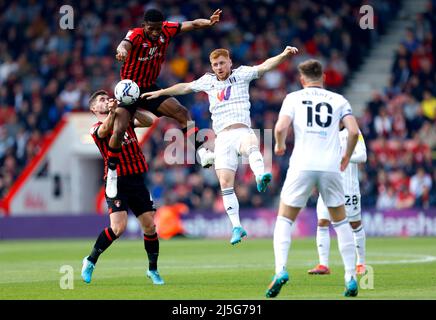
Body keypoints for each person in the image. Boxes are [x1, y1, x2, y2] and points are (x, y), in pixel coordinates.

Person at [142, 46, 299, 245]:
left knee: (251, 144)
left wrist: (284, 54)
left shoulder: (242, 74)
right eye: (215, 64)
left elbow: (265, 66)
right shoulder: (208, 81)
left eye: (222, 63)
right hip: (222, 138)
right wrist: (160, 92)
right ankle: (237, 226)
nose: (219, 67)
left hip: (242, 129)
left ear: (230, 62)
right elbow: (184, 87)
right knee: (225, 183)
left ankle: (260, 175)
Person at [266, 59, 360, 298]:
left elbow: (280, 128)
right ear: (324, 78)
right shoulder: (339, 100)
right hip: (330, 166)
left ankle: (280, 271)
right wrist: (346, 155)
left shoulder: (293, 98)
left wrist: (278, 146)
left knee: (285, 219)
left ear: (302, 79)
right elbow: (353, 131)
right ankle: (350, 277)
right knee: (340, 222)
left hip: (302, 165)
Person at [106, 8, 222, 198]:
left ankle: (201, 151)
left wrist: (208, 22)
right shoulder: (135, 35)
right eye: (151, 29)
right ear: (144, 26)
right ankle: (112, 172)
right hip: (129, 90)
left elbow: (191, 24)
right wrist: (121, 52)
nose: (155, 32)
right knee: (119, 130)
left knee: (182, 112)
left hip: (150, 88)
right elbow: (123, 45)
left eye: (158, 29)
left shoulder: (166, 30)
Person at [81, 90, 165, 285]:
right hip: (116, 181)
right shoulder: (95, 128)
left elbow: (149, 121)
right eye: (101, 100)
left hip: (136, 179)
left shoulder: (125, 119)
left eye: (106, 98)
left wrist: (129, 106)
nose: (106, 100)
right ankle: (91, 260)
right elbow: (104, 131)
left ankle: (153, 270)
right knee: (118, 228)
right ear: (94, 108)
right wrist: (113, 112)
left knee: (150, 226)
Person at [307, 126, 367, 276]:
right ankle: (323, 265)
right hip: (327, 185)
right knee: (322, 222)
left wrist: (343, 157)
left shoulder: (353, 132)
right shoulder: (323, 131)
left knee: (355, 224)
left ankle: (360, 263)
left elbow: (362, 156)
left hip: (348, 187)